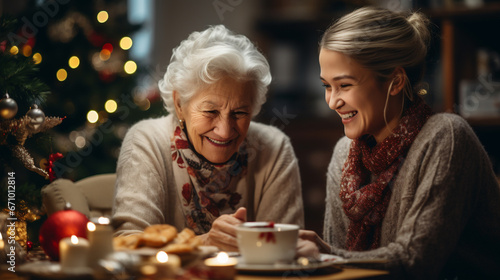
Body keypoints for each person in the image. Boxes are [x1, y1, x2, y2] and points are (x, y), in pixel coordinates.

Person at [297, 7, 500, 279]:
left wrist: (325, 256)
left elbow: (415, 263)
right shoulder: (344, 153)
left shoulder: (447, 137)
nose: (333, 102)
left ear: (395, 81)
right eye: (326, 86)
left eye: (344, 85)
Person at [112, 25, 304, 252]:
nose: (225, 131)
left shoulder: (273, 147)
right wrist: (205, 243)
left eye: (240, 113)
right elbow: (127, 245)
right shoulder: (147, 141)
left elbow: (285, 252)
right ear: (179, 104)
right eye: (210, 111)